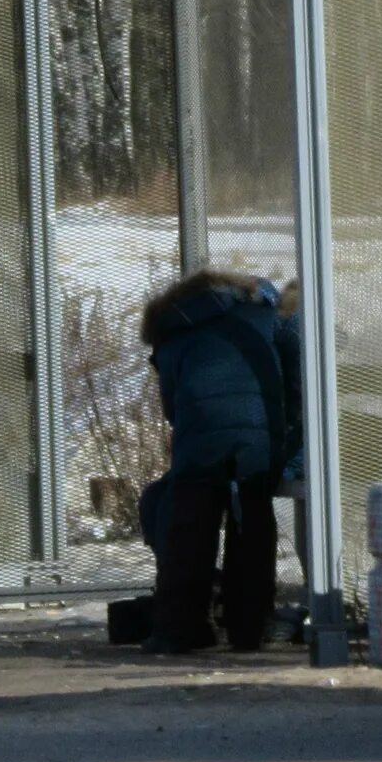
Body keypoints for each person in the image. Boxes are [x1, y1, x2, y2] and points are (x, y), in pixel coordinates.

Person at [137, 267, 296, 654]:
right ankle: (249, 628)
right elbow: (292, 376)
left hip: (201, 442)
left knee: (189, 527)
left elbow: (172, 408)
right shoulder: (264, 318)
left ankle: (181, 629)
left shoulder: (172, 333)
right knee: (253, 522)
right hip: (259, 439)